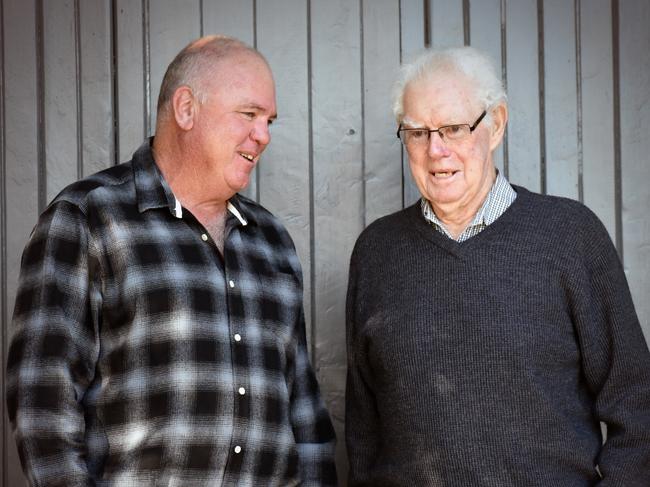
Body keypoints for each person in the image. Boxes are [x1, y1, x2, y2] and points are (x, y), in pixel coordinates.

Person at [7, 35, 337, 486]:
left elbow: (304, 412)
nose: (263, 135)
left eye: (269, 121)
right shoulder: (89, 219)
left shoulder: (272, 241)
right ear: (186, 109)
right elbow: (42, 400)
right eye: (249, 114)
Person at [345, 46, 650, 485]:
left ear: (497, 125)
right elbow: (363, 433)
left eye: (453, 128)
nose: (436, 150)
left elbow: (637, 405)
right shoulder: (377, 252)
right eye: (417, 132)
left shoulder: (569, 236)